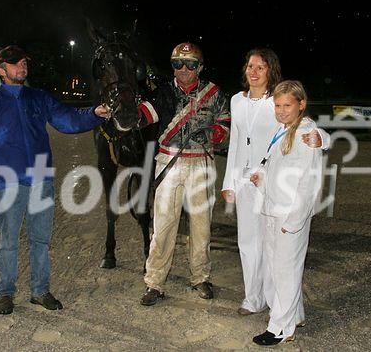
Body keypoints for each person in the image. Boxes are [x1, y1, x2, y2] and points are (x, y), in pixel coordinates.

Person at [0, 45, 109, 315]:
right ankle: (6, 292)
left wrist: (94, 114)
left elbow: (67, 120)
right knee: (9, 241)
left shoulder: (38, 97)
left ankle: (40, 291)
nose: (22, 66)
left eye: (23, 61)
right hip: (9, 183)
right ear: (1, 69)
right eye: (14, 63)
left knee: (40, 240)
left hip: (41, 181)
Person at [221, 48, 329, 316]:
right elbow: (235, 141)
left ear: (271, 70)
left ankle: (274, 300)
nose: (254, 72)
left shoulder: (277, 100)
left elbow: (305, 124)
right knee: (247, 242)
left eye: (261, 67)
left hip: (270, 183)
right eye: (250, 66)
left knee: (271, 246)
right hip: (244, 180)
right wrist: (229, 182)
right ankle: (252, 298)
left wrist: (322, 138)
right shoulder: (236, 100)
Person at [139, 42, 231, 306]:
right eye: (177, 63)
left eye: (190, 64)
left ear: (199, 67)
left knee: (201, 224)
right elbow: (145, 114)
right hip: (169, 162)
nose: (183, 69)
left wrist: (214, 133)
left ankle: (200, 276)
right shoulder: (163, 92)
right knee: (163, 225)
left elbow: (225, 123)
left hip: (201, 162)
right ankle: (154, 282)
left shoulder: (213, 93)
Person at [249, 80, 322, 345]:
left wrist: (295, 220)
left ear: (301, 105)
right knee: (277, 269)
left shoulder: (306, 134)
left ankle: (281, 328)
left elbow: (308, 182)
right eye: (277, 105)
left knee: (285, 271)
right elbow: (277, 167)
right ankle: (293, 314)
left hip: (289, 215)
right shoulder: (284, 129)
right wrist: (262, 178)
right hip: (273, 210)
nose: (281, 110)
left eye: (287, 105)